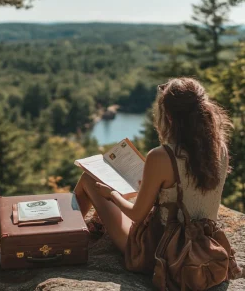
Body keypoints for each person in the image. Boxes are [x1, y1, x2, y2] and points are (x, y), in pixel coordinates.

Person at [74, 78, 238, 276]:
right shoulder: (219, 149)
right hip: (204, 243)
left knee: (88, 179)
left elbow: (136, 215)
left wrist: (111, 194)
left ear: (168, 116)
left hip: (160, 250)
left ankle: (67, 237)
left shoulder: (162, 156)